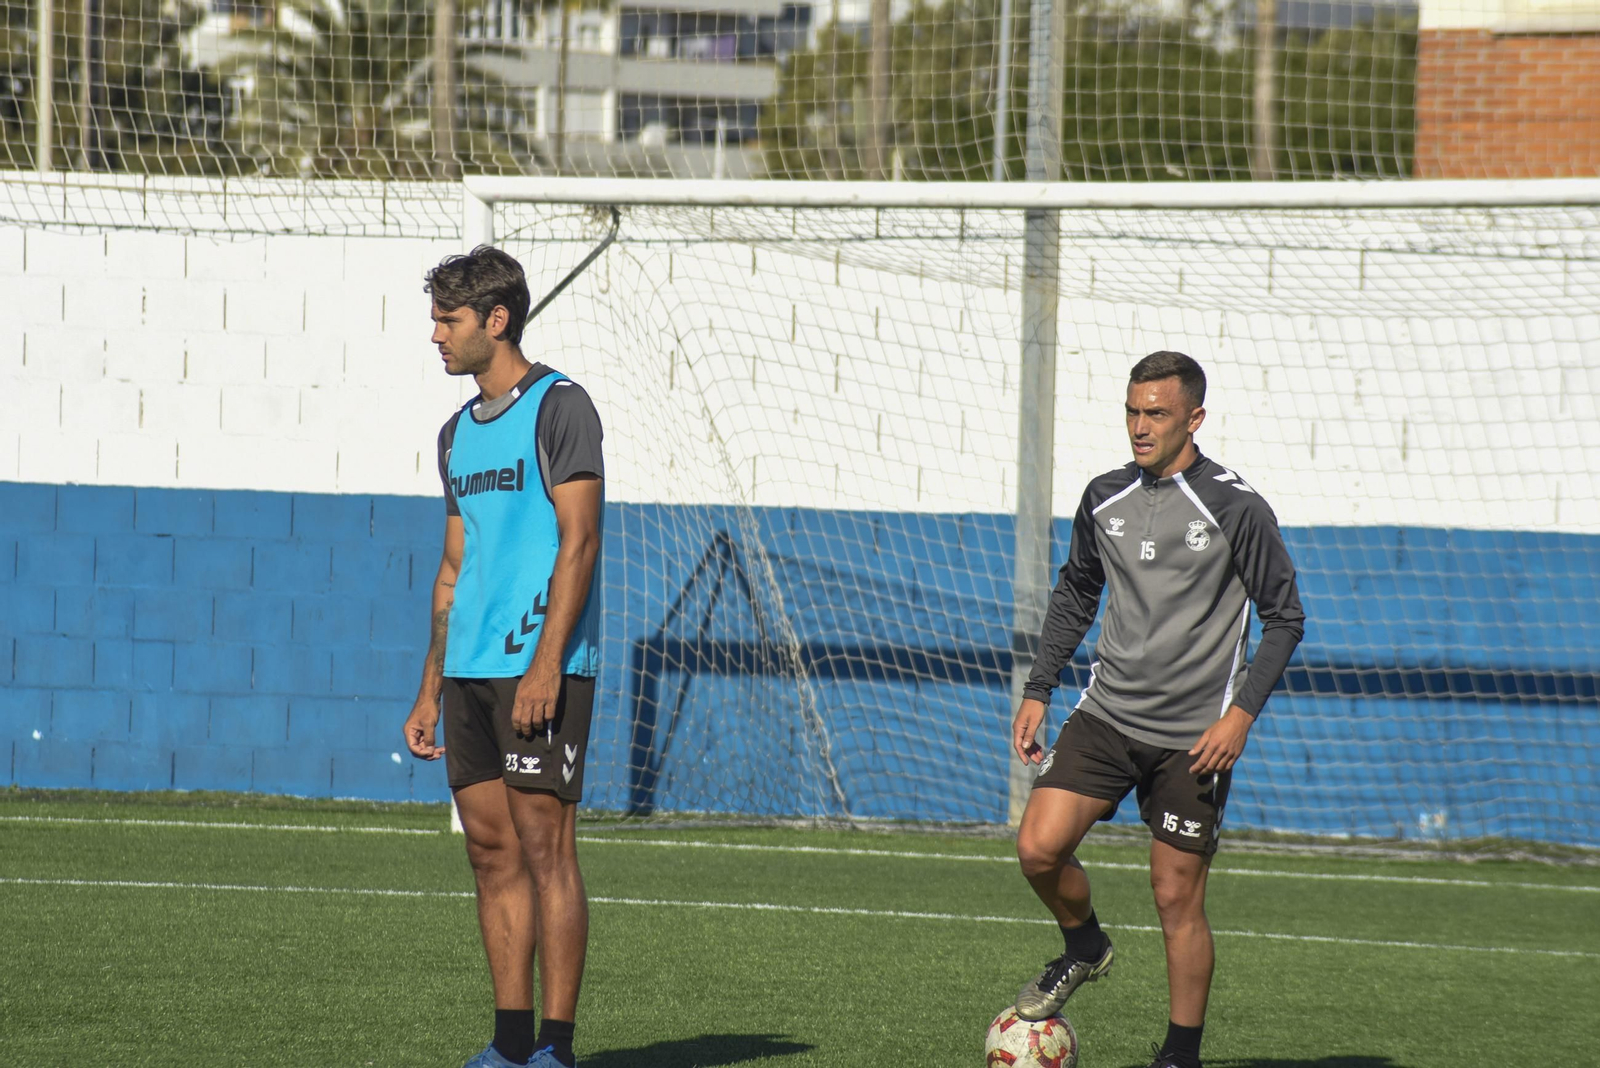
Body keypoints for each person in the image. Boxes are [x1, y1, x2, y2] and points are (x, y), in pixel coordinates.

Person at [1009, 351, 1305, 1068]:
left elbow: (1285, 618)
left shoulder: (1236, 507)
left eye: (1157, 414)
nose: (1140, 427)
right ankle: (1085, 944)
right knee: (1038, 848)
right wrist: (1040, 687)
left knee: (1176, 898)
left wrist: (1240, 716)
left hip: (1193, 740)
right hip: (1107, 715)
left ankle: (1179, 1056)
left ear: (1194, 418)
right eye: (1132, 412)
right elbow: (1077, 592)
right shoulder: (1103, 496)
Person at [404, 245, 605, 1068]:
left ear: (496, 319)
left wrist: (547, 664)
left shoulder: (561, 408)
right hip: (468, 674)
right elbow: (453, 568)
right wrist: (428, 689)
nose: (436, 336)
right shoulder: (455, 434)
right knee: (489, 853)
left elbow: (580, 540)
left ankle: (557, 1047)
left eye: (447, 320)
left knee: (545, 849)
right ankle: (510, 1044)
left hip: (539, 669)